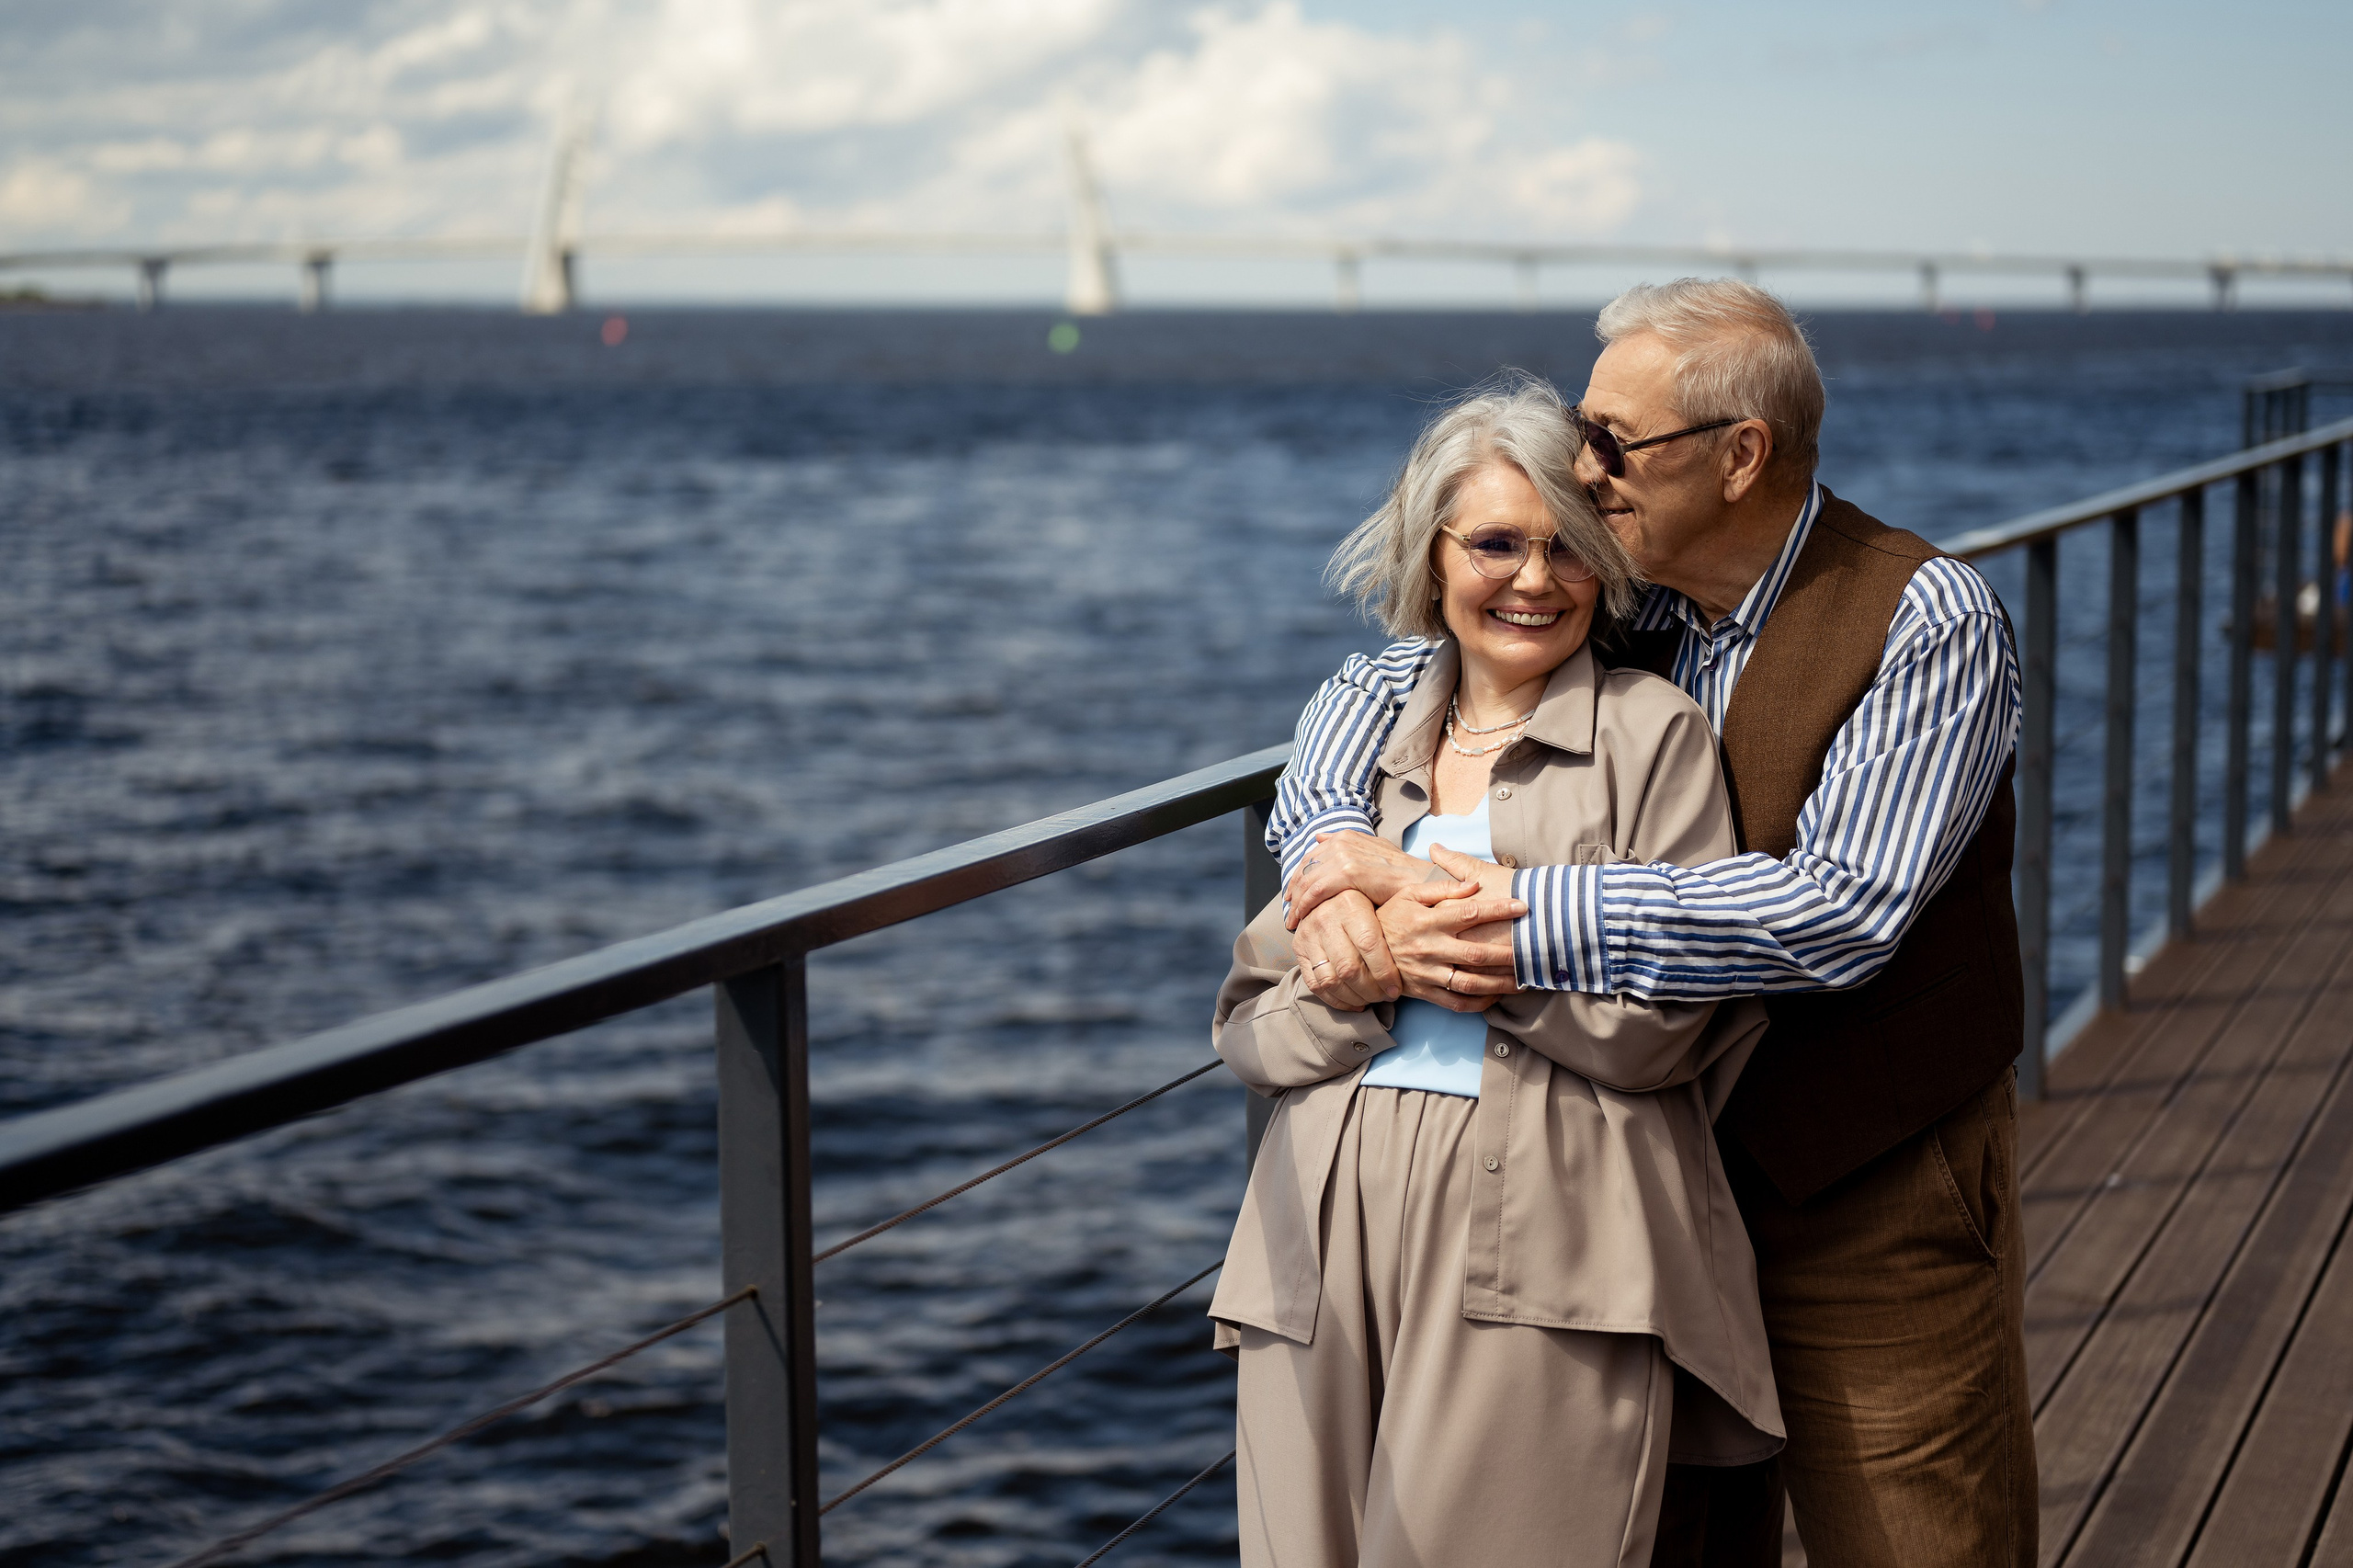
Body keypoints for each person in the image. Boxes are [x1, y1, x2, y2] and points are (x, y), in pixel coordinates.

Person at [1272, 280, 2031, 1568]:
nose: (1584, 468)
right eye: (1585, 428)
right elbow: (1395, 675)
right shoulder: (1629, 597)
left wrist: (1514, 912)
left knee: (1915, 1539)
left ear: (1741, 456)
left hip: (1865, 1189)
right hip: (1648, 1189)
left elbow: (1839, 910)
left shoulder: (1925, 618)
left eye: (1614, 440)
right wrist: (1331, 854)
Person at [1209, 375, 1781, 1568]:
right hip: (1316, 1232)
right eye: (1497, 544)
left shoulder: (1651, 734)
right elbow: (1255, 1024)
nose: (1535, 578)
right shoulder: (1361, 749)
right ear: (1434, 559)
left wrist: (1439, 949)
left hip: (1551, 1242)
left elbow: (1664, 1024)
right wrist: (1371, 978)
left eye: (1566, 547)